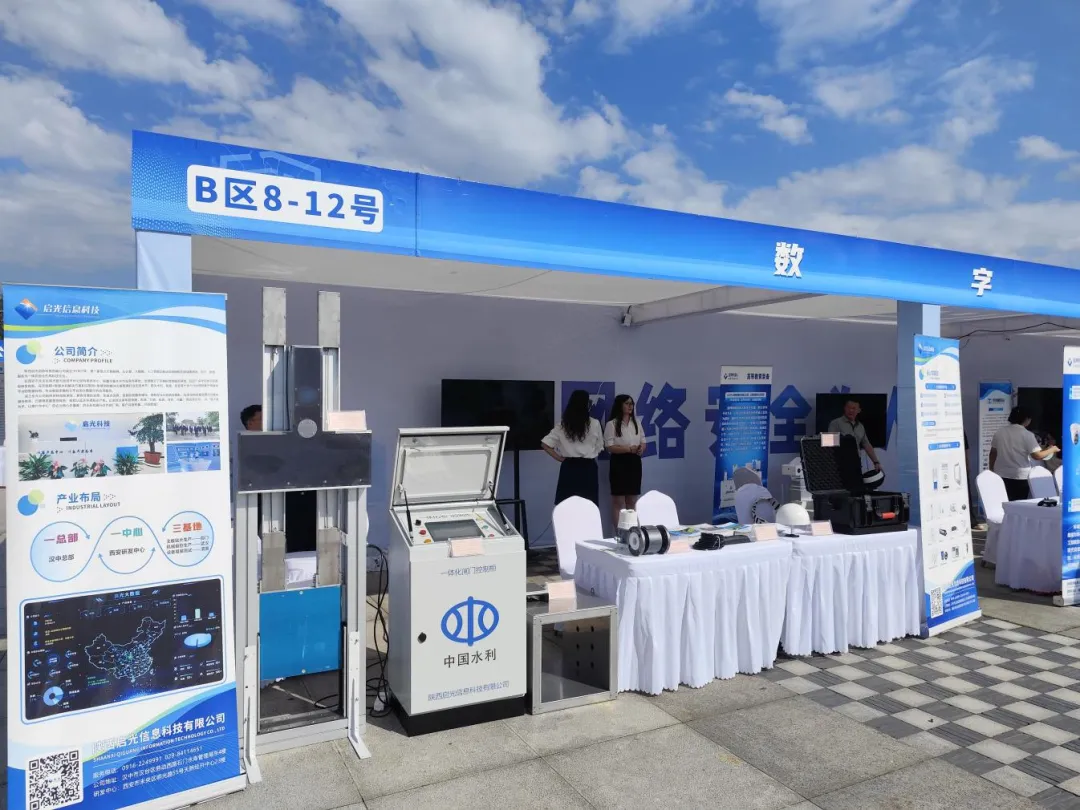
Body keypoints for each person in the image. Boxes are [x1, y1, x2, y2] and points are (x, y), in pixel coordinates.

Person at [542, 389, 604, 506]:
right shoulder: (595, 423)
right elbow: (599, 446)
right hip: (588, 467)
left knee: (567, 504)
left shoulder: (563, 425)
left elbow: (545, 444)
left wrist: (560, 458)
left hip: (569, 467)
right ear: (587, 404)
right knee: (589, 504)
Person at [989, 406, 1059, 500]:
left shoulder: (1000, 432)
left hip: (1000, 473)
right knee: (1019, 503)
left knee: (1003, 501)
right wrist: (1052, 449)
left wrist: (991, 469)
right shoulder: (1027, 435)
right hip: (1020, 476)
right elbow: (1037, 455)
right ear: (1026, 419)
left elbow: (993, 453)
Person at [604, 394, 646, 527]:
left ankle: (632, 532)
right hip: (619, 463)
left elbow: (643, 441)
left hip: (634, 463)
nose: (630, 406)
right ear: (619, 405)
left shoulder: (637, 422)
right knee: (618, 502)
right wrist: (628, 449)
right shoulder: (612, 424)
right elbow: (609, 446)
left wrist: (641, 448)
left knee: (632, 501)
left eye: (631, 404)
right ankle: (620, 533)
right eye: (627, 403)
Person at [828, 399, 882, 472]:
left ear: (859, 410)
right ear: (844, 408)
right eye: (848, 407)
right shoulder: (835, 423)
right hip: (839, 463)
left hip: (856, 463)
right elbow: (829, 444)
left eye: (854, 408)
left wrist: (876, 462)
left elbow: (866, 444)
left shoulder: (860, 426)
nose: (851, 410)